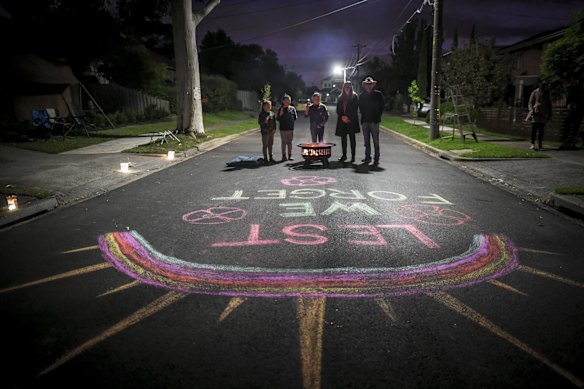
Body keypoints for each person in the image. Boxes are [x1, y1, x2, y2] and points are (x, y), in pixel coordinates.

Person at [359, 76, 385, 164]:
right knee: (366, 141)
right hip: (365, 121)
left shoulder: (378, 94)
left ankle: (376, 157)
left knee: (376, 141)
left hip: (374, 121)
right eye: (367, 84)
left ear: (373, 85)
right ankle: (367, 157)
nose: (369, 85)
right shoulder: (362, 96)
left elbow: (382, 106)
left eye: (370, 84)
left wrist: (377, 115)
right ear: (365, 85)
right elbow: (360, 107)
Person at [335, 81, 360, 162]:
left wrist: (348, 117)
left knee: (352, 139)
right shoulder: (340, 97)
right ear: (343, 88)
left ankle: (353, 156)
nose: (347, 88)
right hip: (342, 121)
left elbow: (355, 109)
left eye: (349, 86)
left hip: (351, 121)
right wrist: (342, 116)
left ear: (351, 87)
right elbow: (338, 109)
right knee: (343, 139)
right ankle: (344, 155)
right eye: (346, 86)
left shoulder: (354, 97)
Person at [526, 82, 552, 151]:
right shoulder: (535, 92)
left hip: (543, 114)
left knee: (541, 131)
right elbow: (530, 102)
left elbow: (549, 104)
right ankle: (532, 144)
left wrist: (549, 114)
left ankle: (540, 145)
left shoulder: (547, 93)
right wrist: (531, 110)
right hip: (535, 113)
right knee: (534, 130)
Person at [559, 82, 584, 150]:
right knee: (571, 128)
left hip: (575, 113)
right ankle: (567, 143)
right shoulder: (576, 93)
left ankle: (569, 143)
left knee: (571, 128)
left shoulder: (575, 93)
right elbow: (568, 103)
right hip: (574, 113)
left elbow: (568, 103)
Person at [277, 94, 298, 161]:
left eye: (289, 100)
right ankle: (283, 156)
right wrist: (280, 114)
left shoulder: (292, 109)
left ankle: (290, 155)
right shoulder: (281, 109)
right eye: (286, 100)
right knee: (284, 142)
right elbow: (278, 118)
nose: (288, 102)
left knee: (289, 142)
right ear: (283, 101)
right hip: (283, 129)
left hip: (290, 128)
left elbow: (295, 117)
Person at [258, 100, 276, 164]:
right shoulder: (262, 114)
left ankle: (271, 157)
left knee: (270, 145)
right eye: (267, 106)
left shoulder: (272, 114)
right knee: (265, 145)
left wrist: (274, 129)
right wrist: (265, 121)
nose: (268, 107)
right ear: (263, 107)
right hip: (265, 132)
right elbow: (260, 123)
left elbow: (274, 122)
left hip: (271, 131)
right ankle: (265, 158)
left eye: (269, 106)